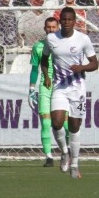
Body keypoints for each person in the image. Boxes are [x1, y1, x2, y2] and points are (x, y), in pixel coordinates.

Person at [41, 8, 98, 178]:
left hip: (77, 88)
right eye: (63, 20)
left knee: (74, 126)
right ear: (60, 21)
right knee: (56, 122)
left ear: (75, 21)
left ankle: (75, 165)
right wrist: (46, 76)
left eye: (69, 20)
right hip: (59, 87)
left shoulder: (83, 39)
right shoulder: (51, 39)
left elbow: (95, 63)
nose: (66, 22)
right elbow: (44, 59)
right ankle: (64, 152)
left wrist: (82, 67)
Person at [29, 17, 65, 166]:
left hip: (62, 86)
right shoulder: (38, 47)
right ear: (45, 29)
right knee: (45, 122)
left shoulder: (64, 46)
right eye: (48, 27)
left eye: (53, 27)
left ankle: (65, 152)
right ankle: (49, 157)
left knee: (65, 124)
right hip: (45, 86)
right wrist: (31, 89)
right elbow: (34, 69)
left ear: (58, 28)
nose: (51, 29)